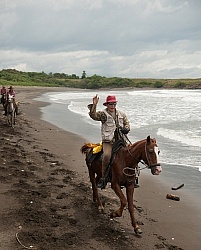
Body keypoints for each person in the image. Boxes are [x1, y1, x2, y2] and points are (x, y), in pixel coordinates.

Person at [88, 94, 130, 189]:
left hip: (120, 140)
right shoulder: (103, 114)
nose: (113, 106)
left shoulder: (121, 114)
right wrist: (94, 105)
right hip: (108, 142)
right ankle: (104, 178)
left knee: (132, 152)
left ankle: (133, 177)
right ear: (107, 105)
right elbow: (93, 116)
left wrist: (126, 129)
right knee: (107, 156)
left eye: (114, 104)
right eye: (111, 104)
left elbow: (127, 123)